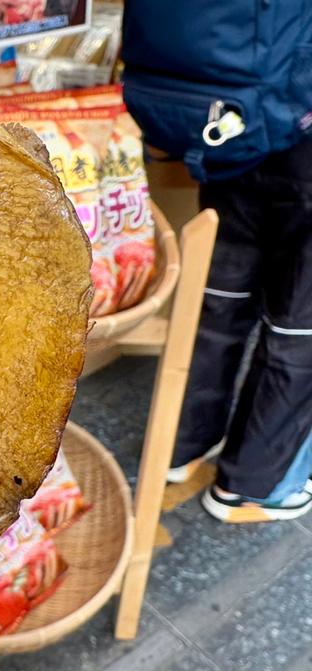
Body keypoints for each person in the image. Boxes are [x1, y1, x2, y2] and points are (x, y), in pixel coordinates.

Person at [122, 2, 312, 522]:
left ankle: (179, 448)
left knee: (221, 299)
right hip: (299, 120)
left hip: (227, 116)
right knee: (299, 327)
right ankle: (251, 486)